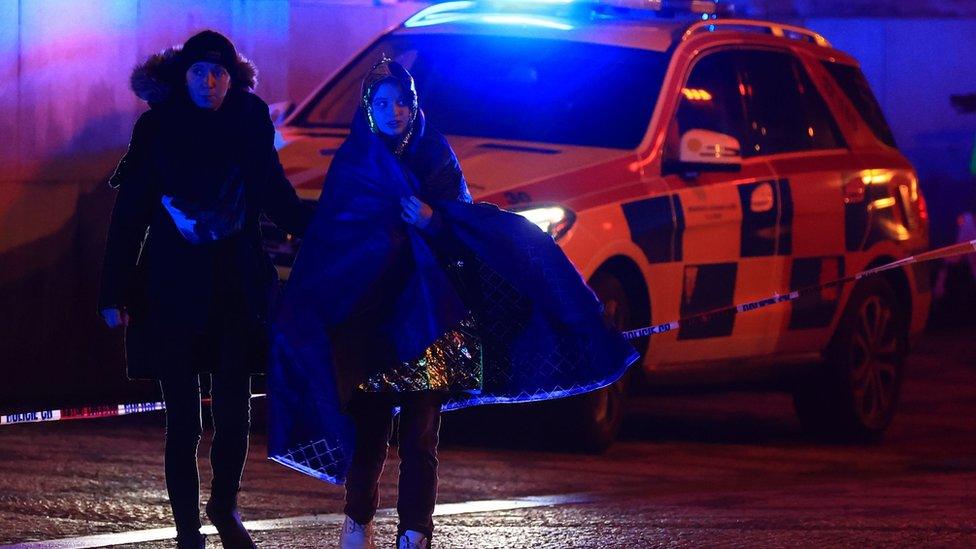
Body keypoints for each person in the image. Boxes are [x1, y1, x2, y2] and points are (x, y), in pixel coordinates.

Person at [267, 58, 639, 549]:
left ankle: (416, 531)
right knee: (371, 430)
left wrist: (433, 220)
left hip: (431, 317)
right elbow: (333, 244)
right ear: (368, 108)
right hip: (371, 322)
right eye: (382, 102)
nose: (393, 110)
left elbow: (464, 232)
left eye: (401, 100)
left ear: (413, 103)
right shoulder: (354, 164)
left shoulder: (436, 155)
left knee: (421, 435)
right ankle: (357, 522)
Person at [98, 30, 312, 549]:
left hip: (234, 284)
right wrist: (114, 290)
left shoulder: (248, 120)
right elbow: (130, 216)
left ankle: (224, 506)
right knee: (183, 420)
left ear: (231, 78)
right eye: (199, 71)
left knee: (236, 410)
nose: (209, 81)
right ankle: (187, 529)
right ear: (183, 75)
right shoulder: (158, 128)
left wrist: (323, 226)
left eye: (219, 73)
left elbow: (273, 191)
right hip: (171, 288)